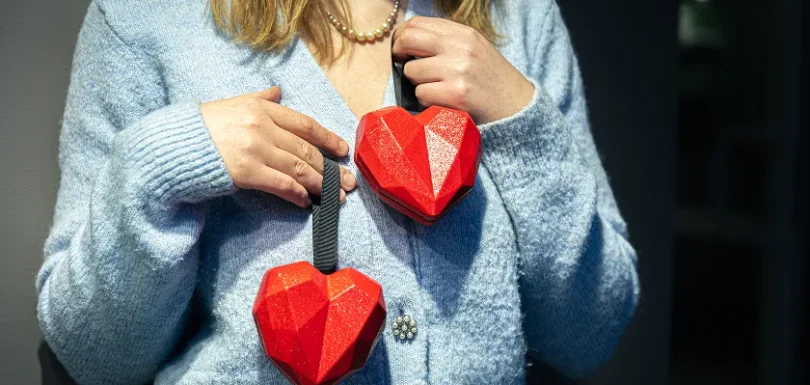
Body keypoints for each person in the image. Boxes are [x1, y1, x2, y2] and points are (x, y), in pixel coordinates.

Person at [35, 0, 640, 384]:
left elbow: (592, 330)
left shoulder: (520, 16)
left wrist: (520, 119)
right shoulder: (143, 18)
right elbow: (96, 359)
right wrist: (163, 162)